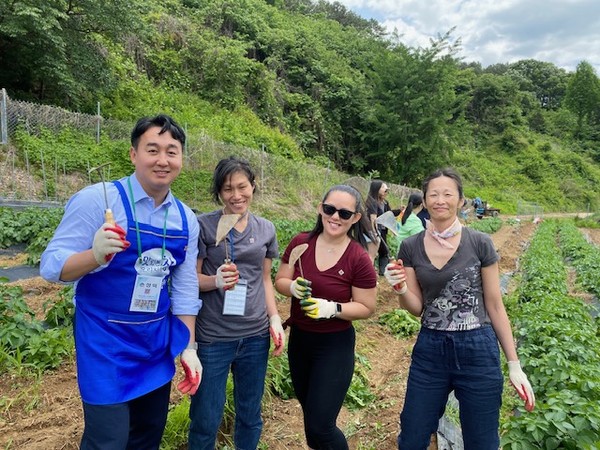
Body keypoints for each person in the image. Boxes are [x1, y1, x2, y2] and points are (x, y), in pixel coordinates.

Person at [40, 114, 202, 449]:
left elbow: (186, 290)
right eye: (152, 149)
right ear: (133, 154)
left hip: (154, 347)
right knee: (108, 440)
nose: (162, 160)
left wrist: (188, 348)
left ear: (181, 159)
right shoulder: (99, 201)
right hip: (105, 343)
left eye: (172, 152)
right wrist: (94, 256)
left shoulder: (186, 218)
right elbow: (51, 266)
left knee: (147, 436)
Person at [383, 168, 535, 450]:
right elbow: (416, 308)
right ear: (425, 201)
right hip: (431, 350)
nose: (440, 200)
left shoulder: (480, 243)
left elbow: (494, 305)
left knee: (482, 441)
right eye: (434, 194)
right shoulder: (410, 246)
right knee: (413, 437)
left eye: (447, 194)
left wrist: (514, 365)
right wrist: (401, 289)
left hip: (478, 349)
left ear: (461, 201)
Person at [189, 156, 284, 450]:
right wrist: (214, 281)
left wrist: (274, 318)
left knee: (250, 415)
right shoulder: (204, 226)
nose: (236, 195)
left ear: (253, 187)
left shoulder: (266, 228)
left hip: (255, 337)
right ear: (219, 192)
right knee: (206, 419)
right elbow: (189, 281)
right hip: (214, 338)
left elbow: (265, 279)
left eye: (242, 187)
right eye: (228, 189)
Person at [275, 185, 377, 450]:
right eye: (330, 209)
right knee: (311, 421)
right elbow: (280, 280)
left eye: (344, 213)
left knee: (321, 425)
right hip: (300, 342)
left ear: (355, 218)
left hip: (334, 345)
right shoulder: (300, 243)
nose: (335, 217)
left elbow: (367, 307)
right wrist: (292, 287)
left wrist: (333, 309)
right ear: (320, 208)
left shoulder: (358, 258)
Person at [366, 180, 395, 275]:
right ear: (376, 189)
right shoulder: (372, 201)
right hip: (373, 231)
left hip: (379, 230)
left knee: (381, 251)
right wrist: (375, 234)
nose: (385, 191)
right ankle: (369, 274)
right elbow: (373, 219)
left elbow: (389, 215)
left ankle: (381, 272)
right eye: (383, 188)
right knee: (371, 254)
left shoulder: (385, 203)